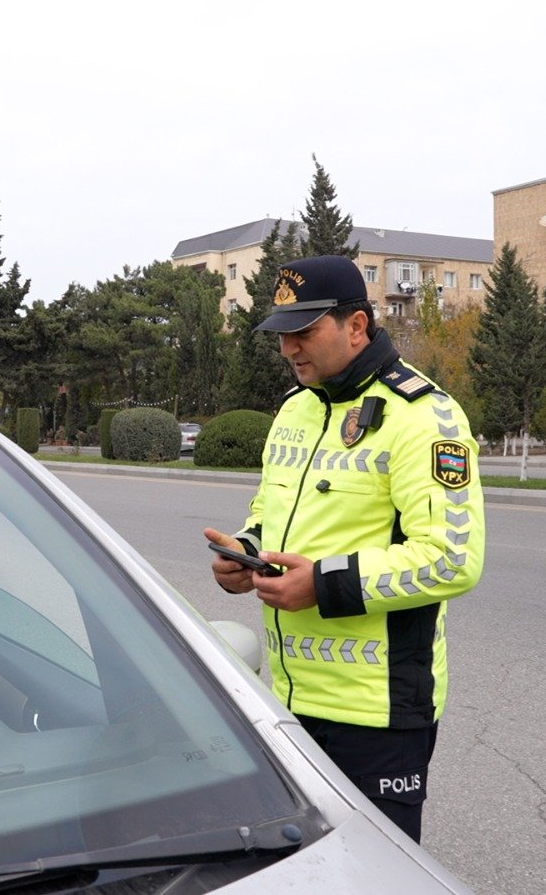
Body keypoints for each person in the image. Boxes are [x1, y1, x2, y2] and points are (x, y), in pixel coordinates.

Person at [203, 255, 486, 843]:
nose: (288, 348)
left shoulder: (424, 416)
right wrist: (247, 551)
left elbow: (451, 558)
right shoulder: (295, 409)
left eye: (304, 332)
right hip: (287, 700)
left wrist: (320, 584)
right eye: (282, 334)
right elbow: (273, 513)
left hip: (376, 714)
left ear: (356, 326)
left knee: (372, 874)